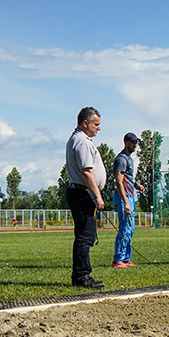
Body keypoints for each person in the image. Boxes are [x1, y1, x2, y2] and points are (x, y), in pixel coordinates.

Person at [65, 107, 106, 289]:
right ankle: (82, 276)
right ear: (85, 123)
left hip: (81, 192)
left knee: (84, 235)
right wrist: (97, 196)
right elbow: (87, 171)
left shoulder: (80, 140)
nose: (98, 128)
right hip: (82, 193)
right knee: (85, 236)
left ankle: (80, 274)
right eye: (96, 124)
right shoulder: (81, 142)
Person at [112, 132, 145, 268]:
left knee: (130, 230)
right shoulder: (121, 159)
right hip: (123, 197)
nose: (135, 145)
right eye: (133, 142)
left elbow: (127, 178)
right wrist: (125, 201)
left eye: (136, 142)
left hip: (130, 196)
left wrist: (136, 184)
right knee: (125, 228)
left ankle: (126, 259)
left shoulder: (130, 159)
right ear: (126, 143)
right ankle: (118, 260)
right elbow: (119, 182)